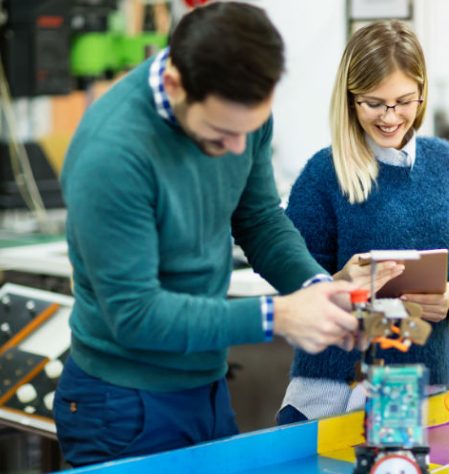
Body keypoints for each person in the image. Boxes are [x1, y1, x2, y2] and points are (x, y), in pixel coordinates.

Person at [54, 2, 373, 466]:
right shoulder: (113, 154)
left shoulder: (240, 107)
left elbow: (259, 218)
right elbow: (136, 313)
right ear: (174, 86)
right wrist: (277, 317)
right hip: (123, 403)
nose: (238, 148)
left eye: (251, 128)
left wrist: (317, 289)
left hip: (206, 386)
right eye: (221, 134)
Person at [278, 20, 449, 424]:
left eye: (404, 101)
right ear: (350, 99)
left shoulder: (445, 164)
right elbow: (291, 278)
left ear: (422, 92)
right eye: (374, 103)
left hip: (420, 392)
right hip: (330, 394)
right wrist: (335, 285)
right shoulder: (325, 173)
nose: (391, 117)